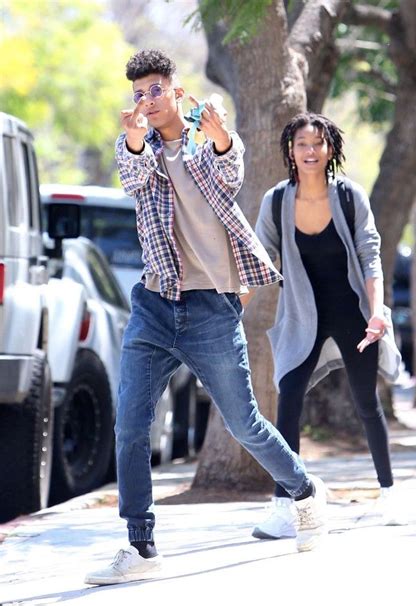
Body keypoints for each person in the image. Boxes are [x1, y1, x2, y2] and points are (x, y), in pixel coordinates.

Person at [84, 51, 326, 586]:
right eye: (137, 94)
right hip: (153, 304)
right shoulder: (137, 147)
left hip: (211, 309)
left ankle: (305, 492)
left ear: (173, 90)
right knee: (130, 424)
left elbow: (229, 168)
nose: (144, 102)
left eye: (153, 90)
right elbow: (134, 178)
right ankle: (140, 545)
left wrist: (218, 137)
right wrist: (131, 138)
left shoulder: (205, 137)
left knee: (245, 425)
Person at [251, 112, 402, 541]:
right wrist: (231, 303)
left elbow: (371, 255)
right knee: (289, 399)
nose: (310, 151)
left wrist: (377, 311)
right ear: (290, 151)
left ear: (330, 149)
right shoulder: (277, 201)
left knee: (366, 402)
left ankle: (388, 494)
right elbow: (261, 259)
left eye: (318, 143)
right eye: (302, 144)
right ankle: (286, 505)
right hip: (302, 316)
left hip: (353, 313)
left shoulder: (350, 197)